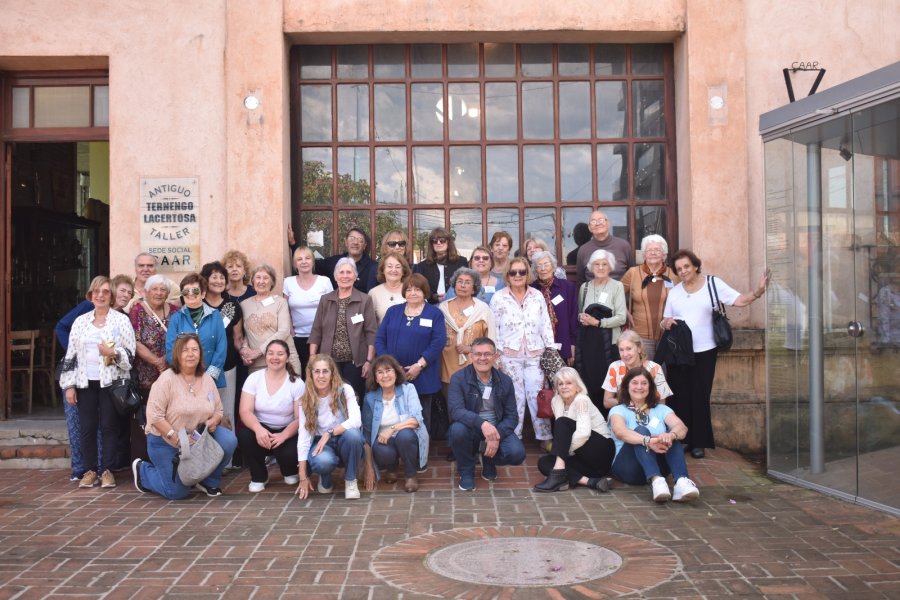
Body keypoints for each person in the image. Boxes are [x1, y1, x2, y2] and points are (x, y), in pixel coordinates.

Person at [662, 249, 768, 458]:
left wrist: (757, 292)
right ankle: (682, 438)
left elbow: (739, 300)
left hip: (705, 351)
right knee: (680, 396)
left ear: (695, 266)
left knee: (700, 396)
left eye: (686, 266)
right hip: (680, 353)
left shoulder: (712, 284)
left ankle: (698, 442)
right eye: (679, 269)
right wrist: (665, 322)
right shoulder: (674, 292)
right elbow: (665, 320)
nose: (683, 271)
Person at [132, 333, 238, 499]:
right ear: (177, 354)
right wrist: (176, 438)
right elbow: (154, 416)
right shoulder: (166, 380)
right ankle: (143, 473)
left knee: (228, 440)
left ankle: (208, 480)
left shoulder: (207, 379)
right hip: (166, 440)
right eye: (185, 350)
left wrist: (214, 420)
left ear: (200, 354)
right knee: (177, 492)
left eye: (195, 350)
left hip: (199, 438)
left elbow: (218, 410)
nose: (190, 354)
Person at [59, 276, 136, 489]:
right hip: (85, 382)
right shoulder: (81, 321)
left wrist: (113, 353)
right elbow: (71, 356)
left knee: (110, 427)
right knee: (87, 427)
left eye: (105, 291)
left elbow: (130, 355)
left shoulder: (121, 321)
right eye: (96, 291)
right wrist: (69, 385)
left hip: (111, 382)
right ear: (90, 295)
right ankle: (90, 470)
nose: (100, 295)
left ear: (111, 295)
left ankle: (108, 471)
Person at [490, 257, 555, 447]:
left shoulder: (537, 295)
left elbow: (545, 325)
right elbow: (494, 328)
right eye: (513, 272)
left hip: (535, 354)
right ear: (507, 276)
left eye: (522, 272)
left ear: (528, 274)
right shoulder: (499, 297)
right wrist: (497, 356)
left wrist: (550, 350)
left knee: (537, 396)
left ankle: (545, 438)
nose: (518, 276)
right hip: (509, 356)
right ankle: (514, 437)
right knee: (515, 398)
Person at [608, 367, 699, 503]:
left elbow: (681, 428)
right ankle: (656, 480)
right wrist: (648, 441)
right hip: (629, 468)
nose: (639, 387)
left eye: (644, 383)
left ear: (650, 387)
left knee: (671, 435)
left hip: (661, 465)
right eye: (634, 382)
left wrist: (671, 435)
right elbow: (620, 431)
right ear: (627, 386)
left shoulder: (662, 409)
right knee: (640, 431)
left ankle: (681, 482)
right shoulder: (618, 410)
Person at [447, 337, 526, 491]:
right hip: (471, 429)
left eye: (487, 354)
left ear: (495, 356)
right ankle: (466, 471)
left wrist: (496, 435)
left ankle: (489, 459)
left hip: (497, 429)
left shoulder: (505, 381)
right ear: (471, 356)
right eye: (478, 354)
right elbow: (456, 411)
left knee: (517, 453)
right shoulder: (458, 378)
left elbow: (512, 416)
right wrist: (482, 424)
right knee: (457, 431)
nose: (482, 358)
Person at [375, 273, 446, 435]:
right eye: (409, 289)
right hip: (393, 374)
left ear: (425, 292)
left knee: (420, 418)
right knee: (395, 416)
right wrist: (392, 367)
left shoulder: (434, 314)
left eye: (417, 290)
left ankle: (421, 456)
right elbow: (380, 339)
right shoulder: (393, 311)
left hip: (423, 374)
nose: (412, 293)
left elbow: (438, 342)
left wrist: (419, 365)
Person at [294, 355, 366, 500]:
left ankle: (351, 481)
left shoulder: (344, 390)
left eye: (325, 371)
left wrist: (330, 433)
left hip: (342, 437)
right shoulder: (305, 398)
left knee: (354, 435)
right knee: (323, 461)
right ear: (311, 374)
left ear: (332, 373)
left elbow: (356, 420)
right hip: (320, 443)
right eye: (317, 371)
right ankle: (325, 478)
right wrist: (302, 476)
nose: (321, 376)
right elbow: (303, 436)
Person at [237, 340, 305, 492]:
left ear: (287, 358)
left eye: (280, 354)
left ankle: (289, 470)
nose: (275, 357)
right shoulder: (254, 378)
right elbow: (245, 411)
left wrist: (283, 435)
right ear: (266, 356)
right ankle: (259, 476)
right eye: (271, 353)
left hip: (287, 430)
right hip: (262, 428)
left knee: (289, 455)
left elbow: (300, 418)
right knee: (245, 435)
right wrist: (258, 429)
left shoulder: (297, 383)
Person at [533, 367, 614, 493]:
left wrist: (563, 452)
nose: (564, 387)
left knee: (561, 423)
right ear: (557, 388)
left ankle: (558, 475)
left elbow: (583, 434)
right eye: (560, 384)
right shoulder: (556, 401)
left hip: (600, 451)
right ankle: (592, 482)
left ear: (577, 386)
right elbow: (563, 434)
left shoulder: (582, 400)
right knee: (544, 462)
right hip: (585, 461)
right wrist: (561, 452)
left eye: (569, 383)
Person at [308, 258, 377, 399]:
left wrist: (369, 361)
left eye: (349, 272)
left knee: (353, 398)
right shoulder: (325, 300)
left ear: (355, 276)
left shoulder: (365, 300)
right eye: (341, 272)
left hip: (355, 362)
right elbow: (316, 330)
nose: (345, 276)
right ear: (335, 276)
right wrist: (313, 357)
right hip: (329, 361)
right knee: (330, 398)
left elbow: (371, 332)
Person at [129, 274, 179, 460]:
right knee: (146, 418)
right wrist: (157, 362)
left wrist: (166, 360)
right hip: (145, 374)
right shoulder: (137, 310)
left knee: (169, 415)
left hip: (170, 372)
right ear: (147, 292)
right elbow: (134, 340)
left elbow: (180, 338)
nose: (159, 293)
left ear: (167, 293)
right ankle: (143, 460)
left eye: (163, 289)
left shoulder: (175, 311)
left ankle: (168, 457)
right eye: (155, 289)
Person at [361, 355, 429, 493]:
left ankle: (410, 475)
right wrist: (369, 468)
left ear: (396, 372)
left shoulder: (408, 389)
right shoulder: (370, 398)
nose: (385, 375)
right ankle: (391, 468)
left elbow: (416, 420)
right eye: (380, 372)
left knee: (405, 436)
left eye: (388, 370)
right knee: (379, 448)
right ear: (375, 378)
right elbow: (367, 436)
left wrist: (392, 429)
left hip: (406, 434)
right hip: (385, 441)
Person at [200, 261, 245, 429]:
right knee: (202, 412)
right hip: (200, 368)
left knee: (226, 412)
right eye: (214, 277)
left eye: (222, 277)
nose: (218, 281)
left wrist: (246, 353)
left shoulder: (232, 306)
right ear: (205, 280)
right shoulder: (196, 304)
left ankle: (228, 453)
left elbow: (237, 338)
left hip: (227, 367)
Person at [166, 273, 228, 393]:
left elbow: (221, 347)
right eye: (185, 291)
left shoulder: (215, 316)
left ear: (203, 293)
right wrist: (185, 375)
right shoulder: (176, 318)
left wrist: (208, 378)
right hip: (183, 380)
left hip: (211, 380)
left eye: (195, 290)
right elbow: (170, 350)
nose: (190, 294)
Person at [621, 235, 679, 359]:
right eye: (649, 250)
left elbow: (682, 301)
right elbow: (616, 294)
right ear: (644, 254)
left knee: (663, 373)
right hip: (639, 335)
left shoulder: (673, 275)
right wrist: (625, 313)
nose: (653, 253)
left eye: (657, 250)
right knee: (644, 372)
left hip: (667, 334)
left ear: (664, 254)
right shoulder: (633, 273)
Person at [239, 264, 302, 375]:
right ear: (253, 281)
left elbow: (284, 331)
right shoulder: (244, 305)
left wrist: (258, 352)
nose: (261, 281)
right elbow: (246, 333)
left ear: (272, 282)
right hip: (257, 364)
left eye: (266, 278)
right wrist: (245, 350)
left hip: (285, 361)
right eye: (258, 277)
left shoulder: (280, 302)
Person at [283, 246, 334, 375]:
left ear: (313, 261)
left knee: (321, 374)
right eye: (299, 259)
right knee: (302, 375)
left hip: (322, 338)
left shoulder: (324, 281)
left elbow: (332, 309)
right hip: (298, 337)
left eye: (307, 258)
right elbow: (285, 309)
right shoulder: (288, 282)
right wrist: (291, 331)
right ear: (295, 264)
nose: (304, 262)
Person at [602, 330, 673, 411]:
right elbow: (606, 402)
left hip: (649, 413)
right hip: (623, 414)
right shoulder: (615, 367)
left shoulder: (655, 368)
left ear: (639, 348)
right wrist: (628, 402)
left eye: (629, 349)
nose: (625, 354)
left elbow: (661, 403)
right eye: (621, 350)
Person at [531, 250, 578, 366]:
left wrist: (572, 345)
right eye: (539, 266)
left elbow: (573, 317)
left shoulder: (567, 287)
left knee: (563, 380)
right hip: (539, 345)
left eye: (546, 264)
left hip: (564, 343)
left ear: (553, 267)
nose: (543, 268)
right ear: (535, 270)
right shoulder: (532, 290)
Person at [576, 210, 635, 283]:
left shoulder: (623, 246)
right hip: (593, 293)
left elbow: (633, 276)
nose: (597, 223)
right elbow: (580, 281)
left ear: (608, 223)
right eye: (593, 221)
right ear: (589, 227)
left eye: (601, 220)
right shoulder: (583, 250)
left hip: (620, 293)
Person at [413, 227, 468, 304]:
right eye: (435, 241)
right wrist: (434, 296)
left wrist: (450, 295)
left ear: (448, 243)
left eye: (442, 240)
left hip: (457, 304)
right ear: (432, 245)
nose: (438, 243)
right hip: (431, 306)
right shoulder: (422, 266)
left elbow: (466, 284)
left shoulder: (461, 262)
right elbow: (420, 287)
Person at [316, 227, 376, 293]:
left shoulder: (373, 267)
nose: (355, 242)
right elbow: (311, 266)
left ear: (364, 245)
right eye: (352, 238)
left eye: (360, 240)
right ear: (346, 243)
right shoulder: (333, 262)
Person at [368, 251, 410, 324]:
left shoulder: (412, 290)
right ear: (383, 270)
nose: (393, 270)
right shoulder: (374, 293)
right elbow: (369, 324)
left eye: (398, 267)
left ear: (403, 271)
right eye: (389, 266)